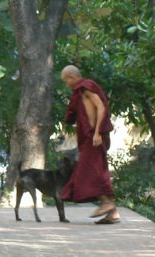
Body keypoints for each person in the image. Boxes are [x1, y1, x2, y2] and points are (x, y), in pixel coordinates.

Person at [60, 65, 120, 224]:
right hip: (89, 138)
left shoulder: (86, 87)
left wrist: (97, 132)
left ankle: (107, 203)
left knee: (87, 171)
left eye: (66, 80)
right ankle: (112, 213)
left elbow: (101, 107)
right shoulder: (80, 92)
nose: (66, 84)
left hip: (94, 136)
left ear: (72, 77)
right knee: (94, 169)